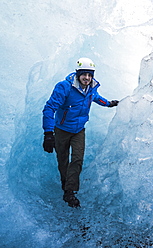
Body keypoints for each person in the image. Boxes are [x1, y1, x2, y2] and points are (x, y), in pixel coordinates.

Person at [42, 57, 119, 208]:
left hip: (78, 130)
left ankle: (70, 191)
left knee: (77, 159)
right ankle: (65, 184)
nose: (87, 78)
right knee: (63, 160)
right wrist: (48, 133)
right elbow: (49, 108)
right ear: (78, 74)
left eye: (90, 75)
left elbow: (96, 98)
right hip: (62, 129)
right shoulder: (64, 87)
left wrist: (109, 104)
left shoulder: (91, 88)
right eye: (84, 74)